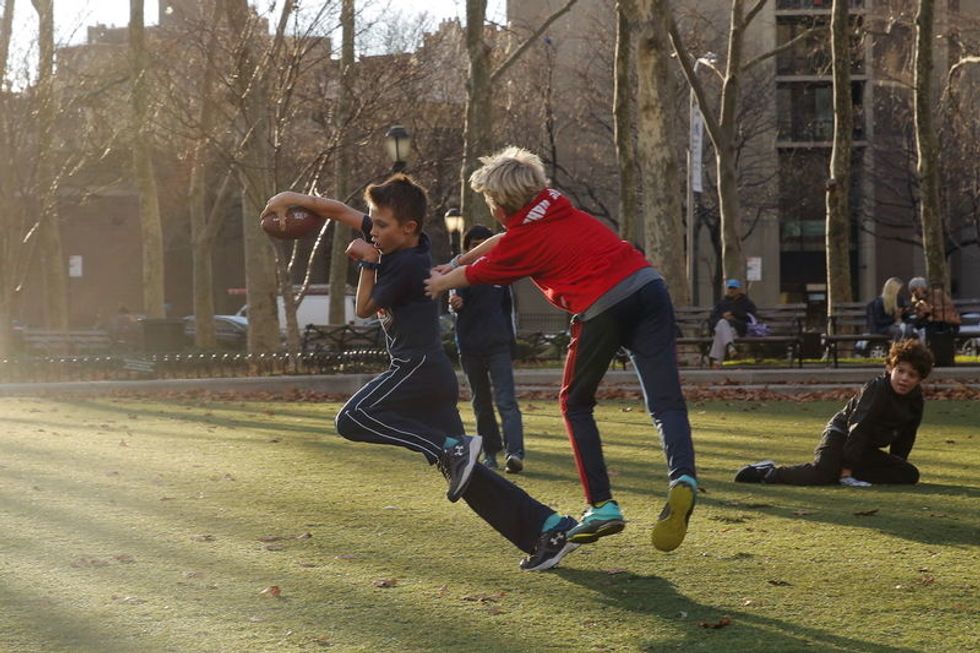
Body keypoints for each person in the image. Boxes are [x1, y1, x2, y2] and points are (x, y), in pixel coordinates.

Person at [262, 174, 581, 571]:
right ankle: (547, 527)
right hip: (430, 376)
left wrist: (366, 264)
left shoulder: (407, 266)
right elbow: (339, 210)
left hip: (415, 368)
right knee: (467, 479)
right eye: (373, 223)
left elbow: (362, 309)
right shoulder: (394, 240)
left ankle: (448, 447)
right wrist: (288, 197)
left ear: (407, 228)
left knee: (352, 419)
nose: (372, 229)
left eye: (380, 225)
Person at [424, 146, 698, 553]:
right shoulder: (553, 204)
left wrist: (439, 282)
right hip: (647, 286)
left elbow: (482, 272)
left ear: (500, 204)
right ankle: (683, 479)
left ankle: (602, 505)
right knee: (665, 402)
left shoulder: (525, 243)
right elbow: (502, 241)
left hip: (601, 303)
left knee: (575, 403)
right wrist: (458, 259)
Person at [734, 339, 933, 486]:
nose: (904, 378)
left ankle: (841, 472)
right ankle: (768, 473)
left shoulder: (915, 400)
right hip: (841, 435)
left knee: (909, 475)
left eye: (912, 374)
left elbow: (906, 436)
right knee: (821, 475)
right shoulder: (877, 389)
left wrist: (896, 463)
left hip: (864, 449)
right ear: (890, 368)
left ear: (919, 379)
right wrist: (846, 469)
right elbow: (859, 427)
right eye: (901, 371)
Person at [449, 225, 526, 473]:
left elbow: (509, 311)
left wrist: (512, 343)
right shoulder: (460, 272)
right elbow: (453, 301)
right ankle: (490, 453)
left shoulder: (502, 275)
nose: (479, 248)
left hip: (498, 345)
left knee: (506, 401)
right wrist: (456, 304)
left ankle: (515, 453)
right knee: (481, 402)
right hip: (470, 346)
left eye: (484, 242)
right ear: (468, 248)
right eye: (474, 244)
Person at [707, 278, 758, 368]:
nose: (731, 290)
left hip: (738, 329)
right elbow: (713, 318)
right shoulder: (721, 303)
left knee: (720, 331)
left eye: (734, 288)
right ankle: (730, 347)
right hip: (725, 330)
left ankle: (717, 361)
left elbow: (751, 317)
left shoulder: (746, 303)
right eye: (730, 288)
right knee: (722, 324)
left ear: (739, 290)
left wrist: (734, 314)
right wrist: (723, 317)